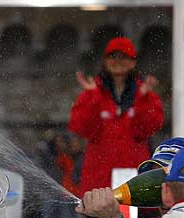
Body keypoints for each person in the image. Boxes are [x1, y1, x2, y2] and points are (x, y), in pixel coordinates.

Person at [68, 36, 163, 197]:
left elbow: (147, 129)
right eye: (113, 56)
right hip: (99, 178)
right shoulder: (92, 92)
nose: (118, 61)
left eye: (124, 57)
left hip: (136, 178)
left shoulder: (145, 94)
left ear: (133, 62)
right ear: (105, 61)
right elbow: (83, 128)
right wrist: (93, 98)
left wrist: (143, 99)